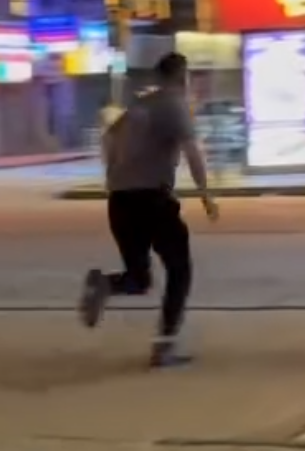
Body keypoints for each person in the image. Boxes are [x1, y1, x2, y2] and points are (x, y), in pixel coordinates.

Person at [79, 52, 219, 368]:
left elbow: (108, 141)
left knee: (138, 279)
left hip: (119, 200)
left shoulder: (136, 107)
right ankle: (164, 346)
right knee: (180, 270)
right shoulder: (173, 104)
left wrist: (116, 176)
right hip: (151, 199)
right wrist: (206, 196)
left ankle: (105, 285)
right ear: (181, 76)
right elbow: (192, 152)